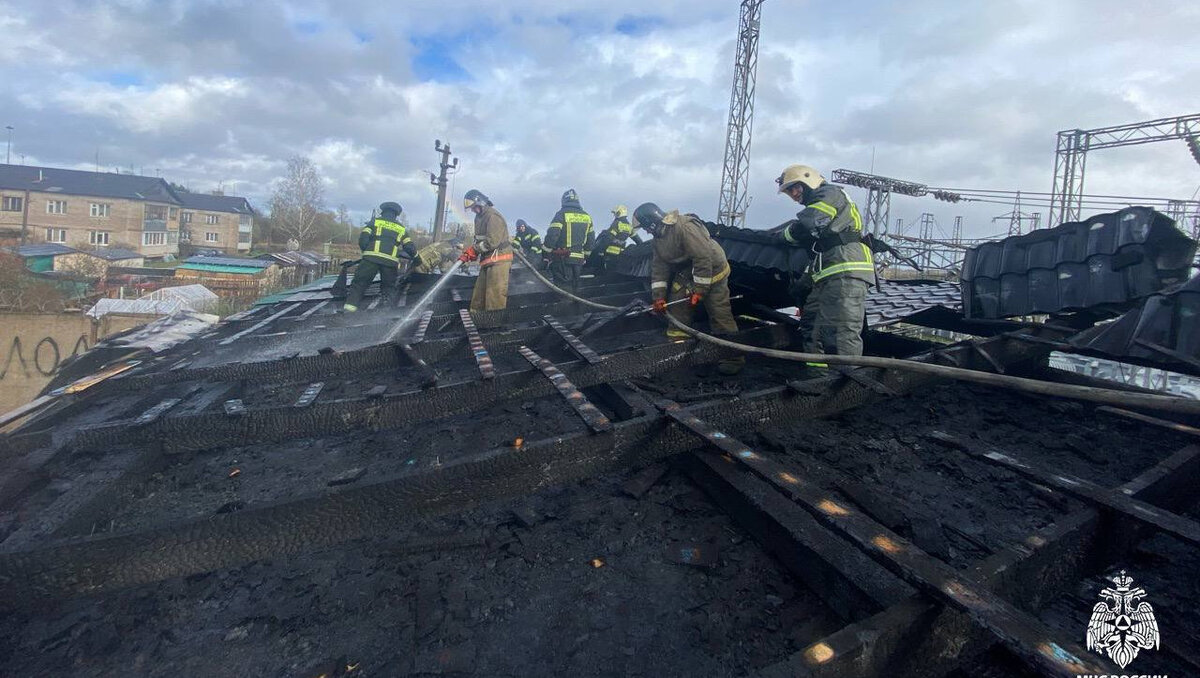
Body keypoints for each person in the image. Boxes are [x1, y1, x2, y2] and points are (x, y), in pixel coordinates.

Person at [775, 164, 875, 356]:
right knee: (811, 326)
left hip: (847, 270)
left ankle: (845, 375)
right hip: (828, 272)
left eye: (796, 187)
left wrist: (784, 236)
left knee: (840, 333)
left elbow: (809, 223)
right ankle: (817, 372)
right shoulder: (825, 204)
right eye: (789, 191)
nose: (794, 194)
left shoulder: (830, 193)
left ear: (809, 180)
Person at [634, 202, 744, 376]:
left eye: (645, 227)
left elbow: (702, 258)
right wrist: (658, 297)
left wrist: (700, 291)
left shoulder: (685, 227)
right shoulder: (658, 239)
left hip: (712, 268)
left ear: (652, 223)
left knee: (719, 312)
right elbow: (659, 268)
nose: (646, 232)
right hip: (687, 271)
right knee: (677, 309)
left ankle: (732, 358)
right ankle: (678, 352)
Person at [343, 201, 416, 312]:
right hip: (390, 263)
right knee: (388, 288)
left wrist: (367, 252)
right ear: (396, 214)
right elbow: (409, 247)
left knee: (359, 284)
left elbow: (363, 239)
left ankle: (349, 310)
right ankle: (383, 314)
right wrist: (417, 258)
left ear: (383, 211)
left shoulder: (374, 222)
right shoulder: (401, 228)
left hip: (370, 260)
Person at [459, 189, 513, 311]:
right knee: (478, 296)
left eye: (474, 207)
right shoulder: (479, 218)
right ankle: (476, 319)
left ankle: (493, 321)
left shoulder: (493, 217)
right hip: (488, 260)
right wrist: (472, 252)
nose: (473, 210)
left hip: (499, 260)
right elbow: (479, 240)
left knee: (494, 297)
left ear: (480, 202)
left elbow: (492, 242)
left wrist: (475, 250)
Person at [542, 188, 594, 294]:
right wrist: (586, 256)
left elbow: (552, 235)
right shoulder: (587, 217)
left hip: (562, 259)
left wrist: (545, 253)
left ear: (563, 201)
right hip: (578, 261)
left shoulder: (561, 214)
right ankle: (576, 304)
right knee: (576, 289)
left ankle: (565, 304)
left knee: (563, 290)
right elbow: (591, 240)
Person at [588, 204, 643, 273]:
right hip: (620, 254)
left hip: (609, 253)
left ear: (620, 213)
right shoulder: (629, 226)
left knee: (602, 272)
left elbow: (608, 238)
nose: (615, 215)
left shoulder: (617, 223)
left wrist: (600, 251)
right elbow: (638, 241)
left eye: (616, 213)